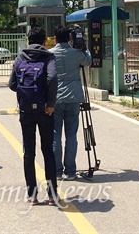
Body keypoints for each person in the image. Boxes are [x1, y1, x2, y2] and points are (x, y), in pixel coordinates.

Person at [8, 27, 59, 205]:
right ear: (44, 41)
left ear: (28, 40)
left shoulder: (20, 58)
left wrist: (25, 93)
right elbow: (52, 78)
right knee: (48, 151)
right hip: (45, 110)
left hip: (26, 110)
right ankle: (52, 194)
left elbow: (12, 84)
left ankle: (32, 194)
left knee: (29, 152)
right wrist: (50, 103)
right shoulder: (48, 57)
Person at [49, 26, 92, 181]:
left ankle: (57, 171)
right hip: (74, 96)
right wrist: (84, 46)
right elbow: (88, 61)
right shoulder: (76, 53)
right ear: (69, 38)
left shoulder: (50, 54)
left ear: (55, 38)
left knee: (55, 135)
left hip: (55, 98)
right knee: (71, 135)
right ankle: (71, 171)